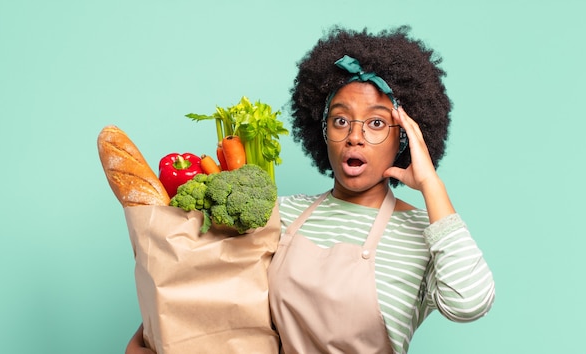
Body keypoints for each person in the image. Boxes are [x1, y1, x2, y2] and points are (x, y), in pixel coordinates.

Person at [126, 25, 495, 354]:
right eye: (340, 120)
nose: (355, 136)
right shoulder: (282, 212)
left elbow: (469, 302)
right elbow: (209, 294)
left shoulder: (423, 234)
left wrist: (431, 184)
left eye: (377, 123)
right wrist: (154, 337)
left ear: (405, 137)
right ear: (322, 131)